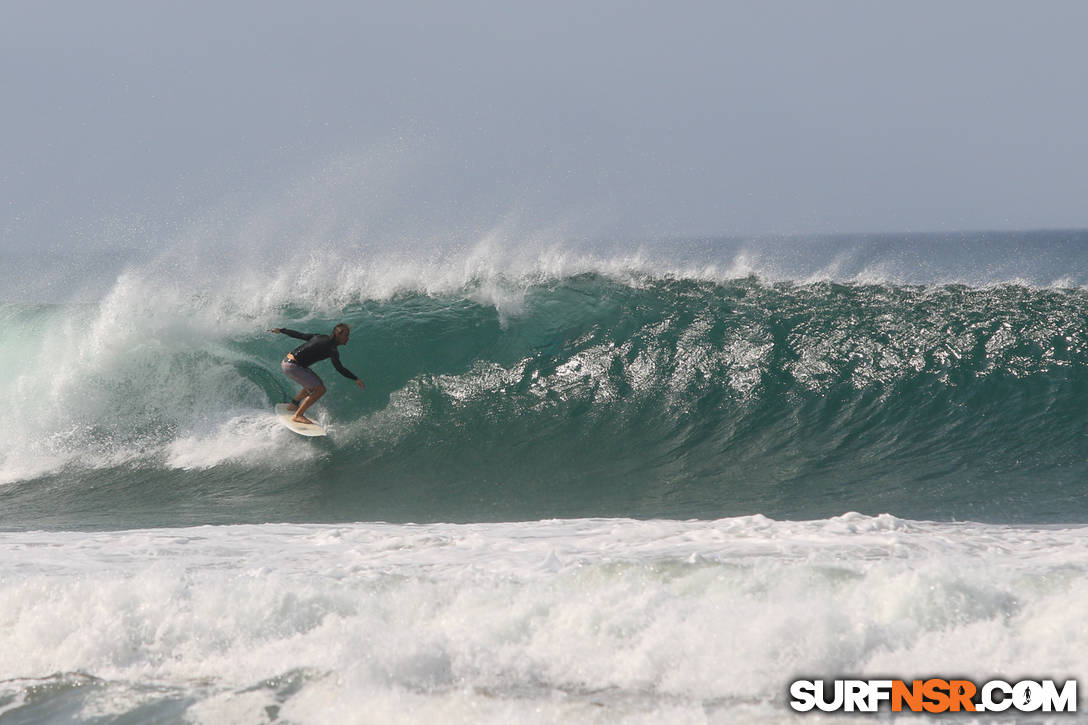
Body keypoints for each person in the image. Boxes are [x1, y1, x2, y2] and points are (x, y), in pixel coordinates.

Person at [268, 323, 365, 424]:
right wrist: (355, 378)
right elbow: (339, 368)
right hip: (293, 366)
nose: (348, 338)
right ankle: (298, 415)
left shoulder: (320, 337)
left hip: (288, 362)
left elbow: (300, 335)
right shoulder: (332, 349)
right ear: (338, 335)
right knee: (320, 390)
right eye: (346, 335)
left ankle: (293, 405)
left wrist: (281, 330)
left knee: (316, 383)